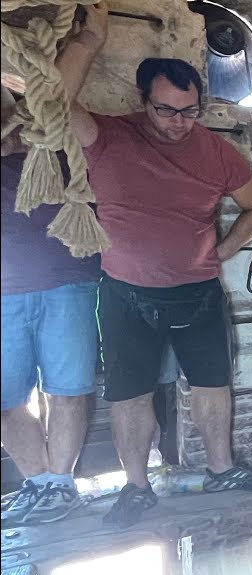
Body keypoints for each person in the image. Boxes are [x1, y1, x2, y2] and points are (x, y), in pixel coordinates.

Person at [57, 3, 252, 527]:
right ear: (143, 101)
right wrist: (90, 41)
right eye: (166, 111)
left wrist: (222, 251)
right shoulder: (108, 136)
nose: (179, 123)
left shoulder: (215, 151)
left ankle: (222, 469)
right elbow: (52, 100)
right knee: (130, 394)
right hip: (125, 293)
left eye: (190, 111)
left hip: (197, 293)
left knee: (212, 385)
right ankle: (136, 488)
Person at [0, 86, 102, 526]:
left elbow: (63, 86)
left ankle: (60, 485)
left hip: (70, 281)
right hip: (3, 292)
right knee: (5, 401)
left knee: (67, 390)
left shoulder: (60, 137)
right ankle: (39, 482)